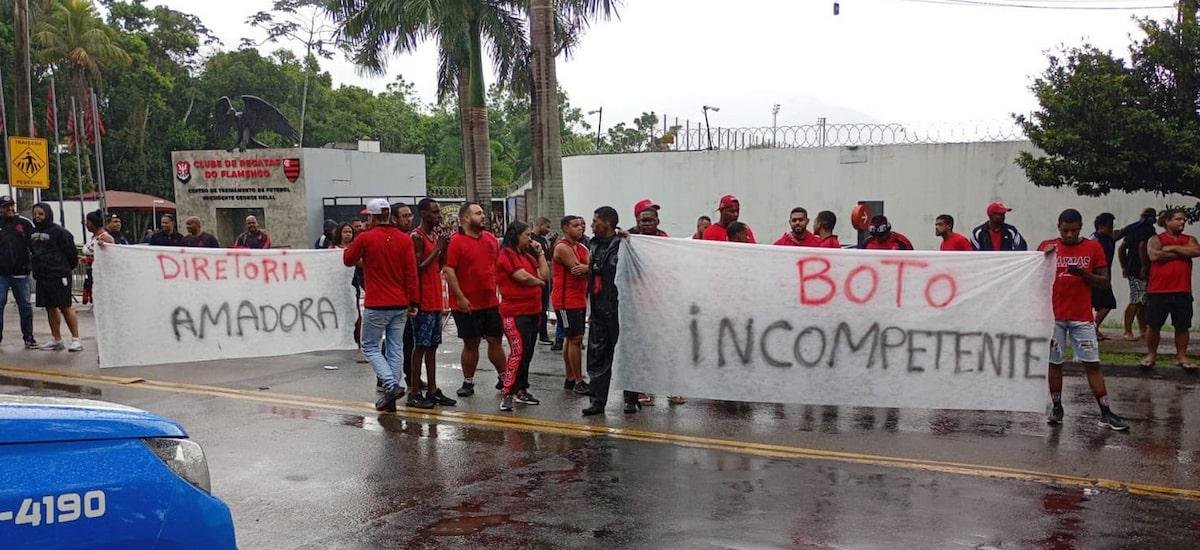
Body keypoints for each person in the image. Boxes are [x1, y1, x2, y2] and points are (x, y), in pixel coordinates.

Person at [1037, 208, 1128, 431]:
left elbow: (1105, 282)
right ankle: (1057, 407)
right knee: (1054, 363)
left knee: (1092, 364)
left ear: (1080, 227)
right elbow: (1034, 278)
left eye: (1074, 231)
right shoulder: (1047, 246)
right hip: (1054, 316)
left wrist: (1084, 275)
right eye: (1066, 230)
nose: (1069, 235)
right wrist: (1043, 259)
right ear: (1058, 226)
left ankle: (1106, 412)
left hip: (1082, 317)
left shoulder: (1092, 247)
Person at [342, 199, 420, 412]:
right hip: (400, 302)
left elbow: (348, 259)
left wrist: (361, 238)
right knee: (395, 348)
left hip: (377, 303)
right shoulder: (404, 240)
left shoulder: (366, 238)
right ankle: (390, 396)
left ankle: (390, 384)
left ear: (373, 217)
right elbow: (411, 273)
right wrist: (414, 300)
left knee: (369, 346)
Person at [443, 201, 507, 398]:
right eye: (478, 213)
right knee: (471, 343)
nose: (483, 216)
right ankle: (468, 381)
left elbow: (498, 265)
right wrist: (460, 297)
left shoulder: (490, 239)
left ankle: (505, 378)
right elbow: (449, 270)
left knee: (495, 340)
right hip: (466, 303)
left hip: (490, 302)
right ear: (465, 218)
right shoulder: (455, 241)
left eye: (482, 213)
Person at [582, 206, 640, 416]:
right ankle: (597, 401)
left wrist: (631, 240)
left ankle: (631, 399)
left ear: (607, 222)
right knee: (597, 355)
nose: (591, 224)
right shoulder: (594, 244)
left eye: (595, 220)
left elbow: (639, 268)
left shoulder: (623, 244)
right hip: (599, 309)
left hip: (621, 310)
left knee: (627, 354)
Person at [495, 221, 550, 411]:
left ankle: (521, 389)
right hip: (514, 313)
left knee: (527, 354)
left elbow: (545, 274)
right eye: (527, 235)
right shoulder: (506, 255)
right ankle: (507, 392)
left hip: (532, 311)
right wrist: (539, 283)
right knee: (518, 353)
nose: (530, 239)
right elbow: (522, 277)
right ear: (516, 235)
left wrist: (541, 253)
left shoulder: (527, 256)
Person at [1140, 209, 1200, 372]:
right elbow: (1155, 256)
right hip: (1158, 290)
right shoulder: (1156, 239)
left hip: (1182, 290)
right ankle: (1151, 355)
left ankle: (1181, 356)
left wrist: (1172, 247)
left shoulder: (1190, 239)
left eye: (1184, 220)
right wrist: (1182, 253)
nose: (1182, 222)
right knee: (1154, 325)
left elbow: (1196, 251)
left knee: (1182, 326)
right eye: (1178, 219)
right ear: (1167, 221)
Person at [410, 198, 456, 408]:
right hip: (424, 300)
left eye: (439, 212)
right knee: (420, 346)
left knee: (432, 346)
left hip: (435, 299)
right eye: (434, 212)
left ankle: (433, 389)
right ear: (423, 213)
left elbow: (438, 266)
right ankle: (415, 391)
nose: (438, 216)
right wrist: (438, 248)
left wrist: (444, 247)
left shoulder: (434, 236)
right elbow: (418, 267)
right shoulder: (417, 237)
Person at [29, 203, 82, 352]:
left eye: (41, 214)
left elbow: (71, 255)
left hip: (59, 275)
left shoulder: (60, 232)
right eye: (35, 214)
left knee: (65, 306)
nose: (37, 217)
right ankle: (56, 339)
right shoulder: (32, 233)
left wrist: (63, 269)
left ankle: (76, 339)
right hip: (42, 276)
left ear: (48, 214)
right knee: (50, 307)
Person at [553, 215, 591, 397]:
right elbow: (577, 270)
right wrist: (590, 268)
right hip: (565, 301)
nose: (580, 228)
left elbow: (589, 267)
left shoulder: (581, 247)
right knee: (575, 339)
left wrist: (589, 268)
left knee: (572, 339)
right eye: (575, 225)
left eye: (581, 225)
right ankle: (577, 380)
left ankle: (570, 378)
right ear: (565, 228)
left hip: (578, 299)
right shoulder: (562, 247)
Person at [0, 196, 38, 349]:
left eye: (11, 206)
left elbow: (35, 245)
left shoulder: (24, 223)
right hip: (1, 274)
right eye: (5, 206)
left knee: (25, 306)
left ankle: (29, 337)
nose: (9, 209)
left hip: (21, 273)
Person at [1118, 208, 1157, 341]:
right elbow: (1142, 247)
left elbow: (1122, 248)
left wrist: (1124, 266)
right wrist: (1145, 267)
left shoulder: (1133, 228)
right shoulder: (1148, 229)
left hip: (1132, 269)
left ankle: (1142, 329)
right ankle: (1128, 331)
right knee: (1136, 300)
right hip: (1140, 270)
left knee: (1142, 301)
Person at [391, 202, 418, 391]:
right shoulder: (395, 239)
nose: (408, 219)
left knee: (409, 340)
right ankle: (389, 378)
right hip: (398, 298)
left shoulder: (412, 237)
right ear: (394, 218)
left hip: (409, 296)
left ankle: (412, 375)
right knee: (399, 340)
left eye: (410, 215)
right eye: (404, 216)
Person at [331, 222, 364, 347]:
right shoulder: (332, 249)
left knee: (354, 309)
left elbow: (362, 264)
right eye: (345, 231)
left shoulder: (355, 247)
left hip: (352, 283)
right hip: (337, 283)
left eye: (350, 232)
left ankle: (356, 336)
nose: (348, 234)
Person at [1090, 213, 1119, 340]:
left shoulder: (1105, 238)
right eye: (1109, 226)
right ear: (1101, 226)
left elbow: (1121, 233)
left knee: (1101, 304)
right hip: (1098, 277)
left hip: (1102, 277)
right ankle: (1093, 328)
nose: (1111, 228)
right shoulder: (1096, 239)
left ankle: (1093, 328)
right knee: (1108, 303)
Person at [81, 210, 114, 305]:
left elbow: (110, 254)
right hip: (92, 271)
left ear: (92, 223)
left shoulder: (105, 237)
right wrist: (87, 259)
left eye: (87, 222)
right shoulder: (94, 237)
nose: (86, 224)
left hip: (102, 273)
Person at [531, 217, 555, 344]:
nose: (548, 230)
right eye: (547, 227)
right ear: (540, 225)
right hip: (536, 278)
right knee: (538, 307)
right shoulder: (531, 240)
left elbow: (548, 257)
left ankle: (542, 333)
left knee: (544, 307)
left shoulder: (543, 241)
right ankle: (538, 333)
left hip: (545, 278)